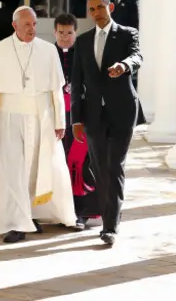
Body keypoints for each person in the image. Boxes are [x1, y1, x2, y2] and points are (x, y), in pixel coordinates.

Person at [0, 6, 77, 243]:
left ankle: (34, 215)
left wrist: (60, 122)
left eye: (34, 24)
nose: (32, 29)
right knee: (13, 170)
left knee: (38, 169)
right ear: (15, 26)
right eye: (26, 25)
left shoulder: (48, 51)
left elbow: (56, 89)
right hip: (8, 117)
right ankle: (16, 222)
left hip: (42, 117)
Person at [70, 0, 142, 245]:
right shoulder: (82, 41)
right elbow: (76, 83)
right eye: (92, 9)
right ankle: (108, 215)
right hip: (93, 115)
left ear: (110, 6)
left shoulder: (127, 34)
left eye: (100, 7)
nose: (97, 13)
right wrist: (76, 120)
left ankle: (110, 226)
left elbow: (137, 56)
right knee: (99, 167)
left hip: (122, 111)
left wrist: (124, 66)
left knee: (114, 165)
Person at [53, 13, 100, 229]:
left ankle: (80, 213)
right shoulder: (48, 54)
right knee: (57, 164)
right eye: (60, 33)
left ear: (75, 32)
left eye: (69, 33)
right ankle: (57, 211)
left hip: (78, 116)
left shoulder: (83, 53)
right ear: (55, 32)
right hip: (54, 117)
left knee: (78, 164)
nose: (64, 37)